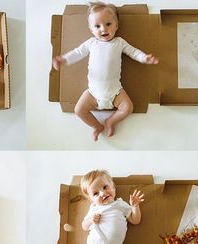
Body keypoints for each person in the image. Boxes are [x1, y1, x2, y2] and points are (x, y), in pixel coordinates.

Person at [52, 1, 159, 141]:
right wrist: (64, 60)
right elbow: (77, 53)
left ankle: (111, 121)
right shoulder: (91, 43)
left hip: (115, 91)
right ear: (91, 29)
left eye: (108, 24)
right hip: (92, 93)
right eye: (97, 26)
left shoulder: (119, 42)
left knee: (128, 108)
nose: (103, 29)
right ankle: (97, 126)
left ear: (116, 25)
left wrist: (145, 58)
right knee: (79, 110)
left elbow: (134, 52)